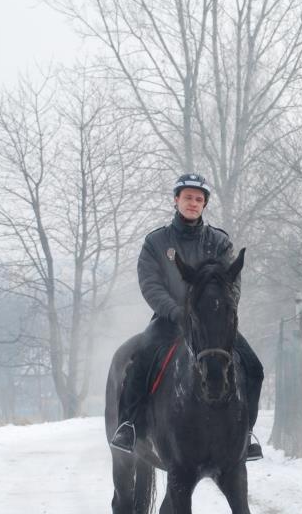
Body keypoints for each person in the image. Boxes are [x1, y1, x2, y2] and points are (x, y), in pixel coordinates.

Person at [108, 173, 264, 461]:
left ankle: (248, 434)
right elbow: (150, 284)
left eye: (199, 199)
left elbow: (232, 282)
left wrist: (217, 314)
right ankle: (129, 425)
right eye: (188, 197)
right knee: (139, 361)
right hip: (170, 321)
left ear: (204, 205)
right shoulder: (156, 242)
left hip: (211, 326)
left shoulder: (219, 242)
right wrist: (176, 312)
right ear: (176, 200)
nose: (193, 203)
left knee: (254, 367)